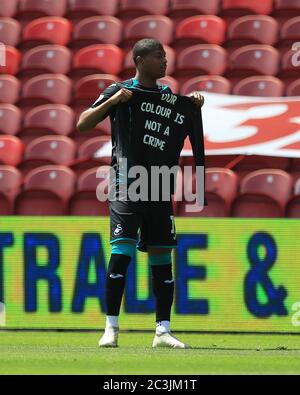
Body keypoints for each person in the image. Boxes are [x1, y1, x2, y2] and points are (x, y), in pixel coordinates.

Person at [77, 38, 204, 349]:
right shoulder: (119, 91)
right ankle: (111, 328)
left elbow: (178, 123)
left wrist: (194, 104)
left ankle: (163, 330)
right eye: (159, 57)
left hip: (159, 185)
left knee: (162, 256)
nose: (165, 62)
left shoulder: (167, 96)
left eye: (165, 56)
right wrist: (112, 102)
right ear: (140, 60)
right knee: (122, 252)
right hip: (126, 182)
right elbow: (82, 123)